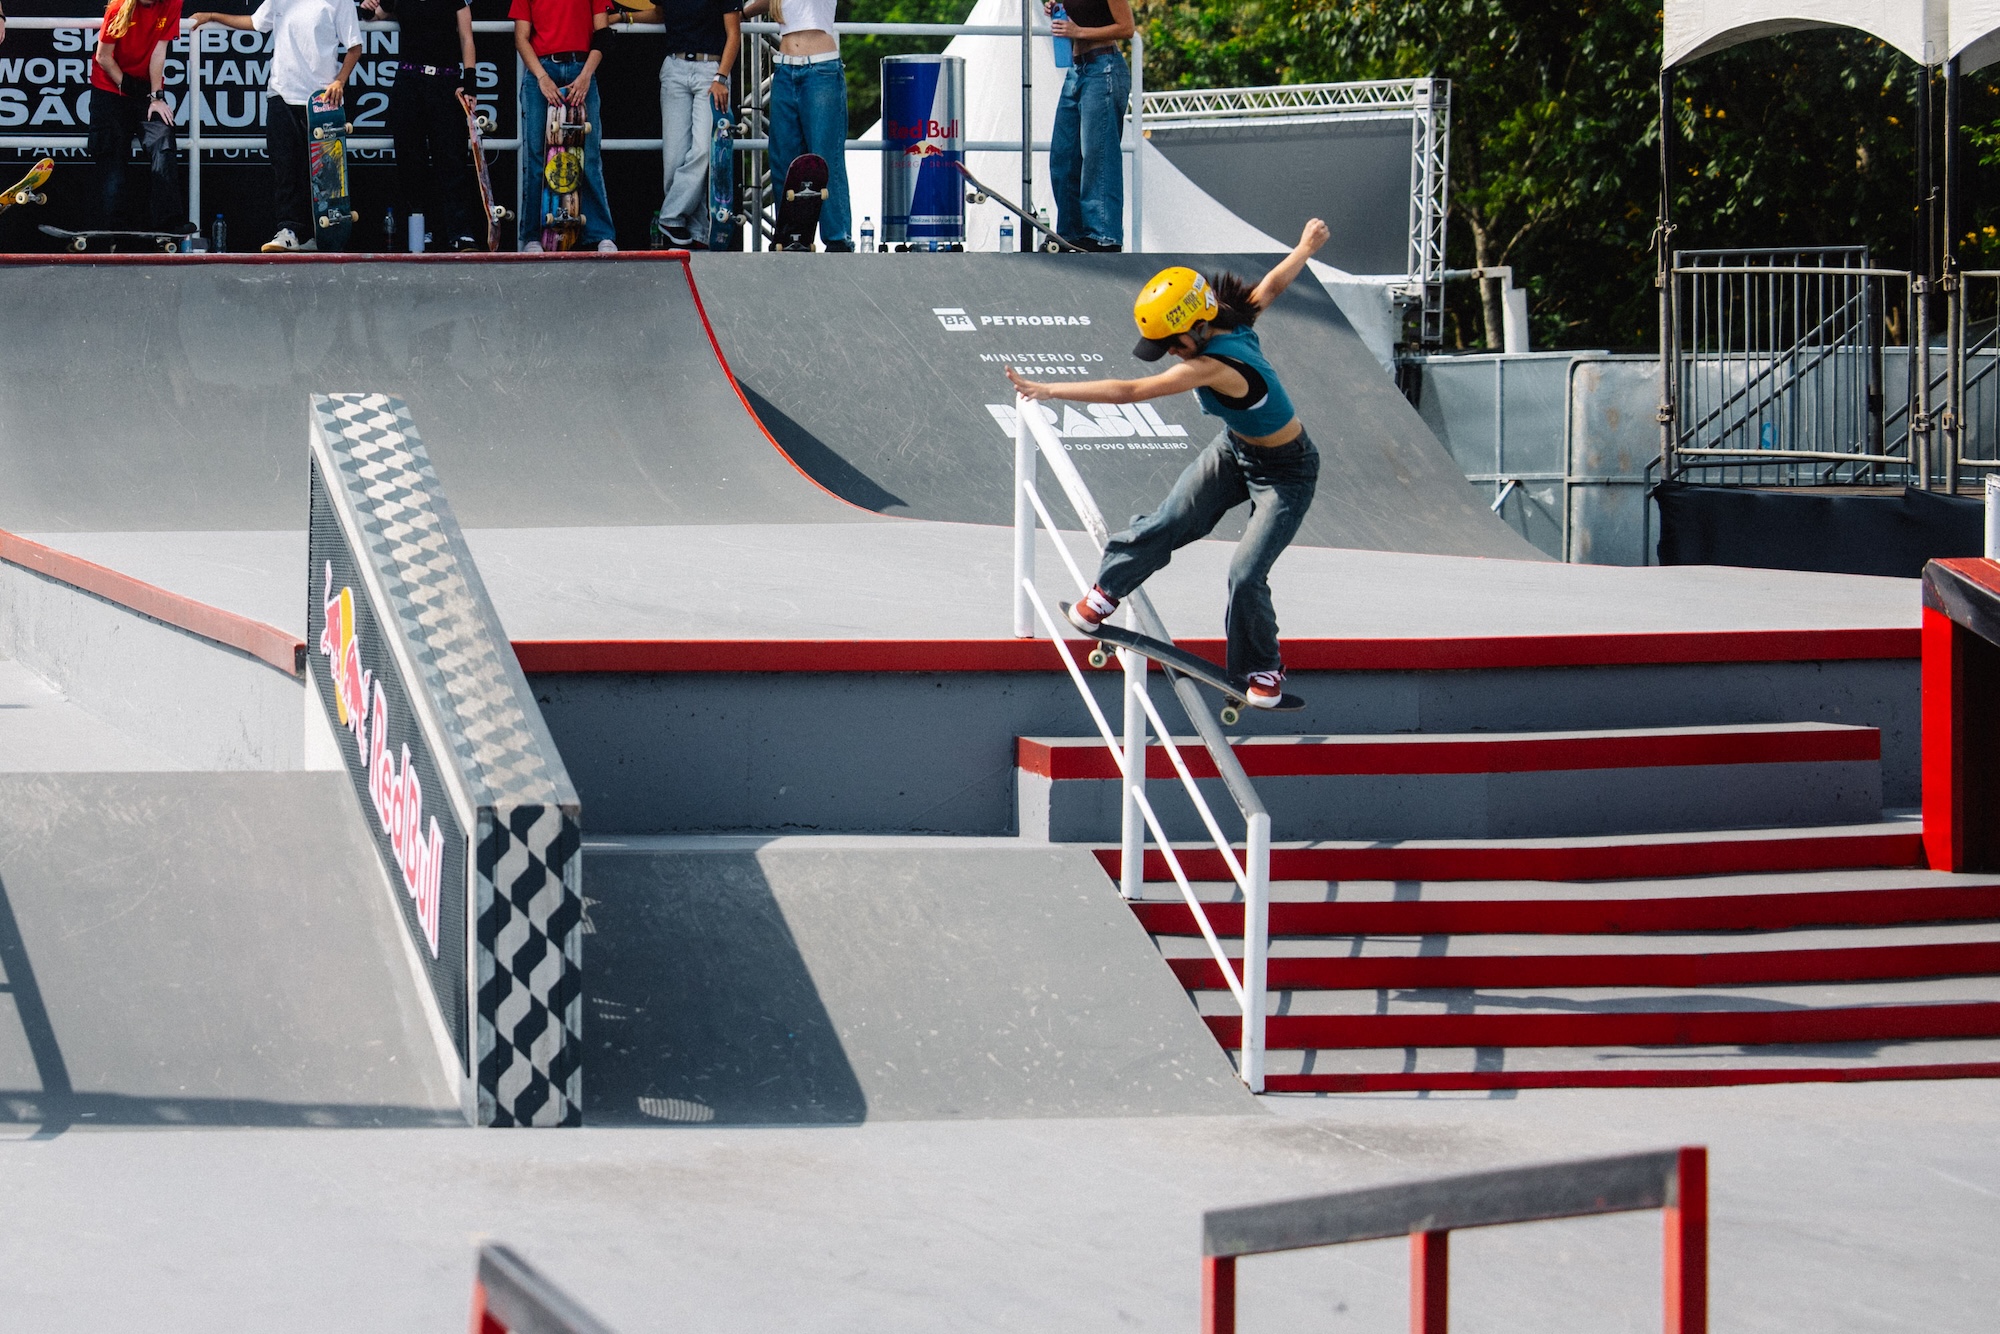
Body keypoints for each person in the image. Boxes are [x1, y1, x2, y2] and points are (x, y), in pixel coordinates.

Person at [1005, 220, 1331, 709]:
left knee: (1246, 572)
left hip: (1287, 472)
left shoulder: (1214, 364)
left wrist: (1050, 390)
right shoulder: (1235, 320)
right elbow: (1272, 285)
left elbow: (1130, 391)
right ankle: (1105, 592)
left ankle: (1262, 666)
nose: (1171, 356)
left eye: (1174, 345)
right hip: (1234, 452)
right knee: (1174, 518)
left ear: (1200, 325)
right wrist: (1303, 247)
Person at [191, 0, 362, 252]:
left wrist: (339, 81)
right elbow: (255, 22)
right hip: (281, 93)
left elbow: (354, 47)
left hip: (321, 101)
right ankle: (289, 231)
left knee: (323, 176)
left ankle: (321, 235)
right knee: (285, 167)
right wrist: (212, 15)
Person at [614, 0, 739, 249]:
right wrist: (624, 17)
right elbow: (661, 13)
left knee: (704, 149)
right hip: (675, 68)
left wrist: (721, 77)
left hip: (710, 71)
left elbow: (733, 34)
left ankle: (670, 217)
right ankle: (695, 231)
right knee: (674, 157)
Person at [361, 0, 480, 251]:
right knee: (410, 160)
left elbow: (467, 38)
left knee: (451, 159)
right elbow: (374, 16)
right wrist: (366, 6)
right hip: (409, 81)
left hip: (445, 81)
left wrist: (470, 83)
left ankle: (459, 232)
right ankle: (418, 230)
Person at [741, 0, 850, 251]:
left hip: (821, 69)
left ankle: (837, 237)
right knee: (783, 157)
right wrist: (741, 13)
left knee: (825, 155)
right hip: (785, 69)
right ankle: (791, 235)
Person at [511, 0, 617, 251]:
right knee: (536, 156)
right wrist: (542, 78)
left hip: (582, 67)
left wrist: (586, 76)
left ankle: (601, 233)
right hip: (542, 68)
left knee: (589, 156)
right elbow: (521, 38)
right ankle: (532, 236)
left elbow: (602, 35)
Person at [89, 0, 186, 233]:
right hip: (110, 87)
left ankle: (168, 223)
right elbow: (103, 56)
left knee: (162, 138)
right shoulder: (118, 7)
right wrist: (126, 85)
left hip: (145, 89)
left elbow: (159, 51)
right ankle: (112, 230)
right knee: (111, 151)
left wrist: (155, 97)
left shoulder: (173, 2)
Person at [1044, 0, 1132, 252]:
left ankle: (1104, 235)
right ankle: (1072, 233)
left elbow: (1126, 28)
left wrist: (1078, 32)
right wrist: (1055, 9)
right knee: (1063, 157)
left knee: (1098, 156)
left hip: (1103, 67)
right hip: (1077, 69)